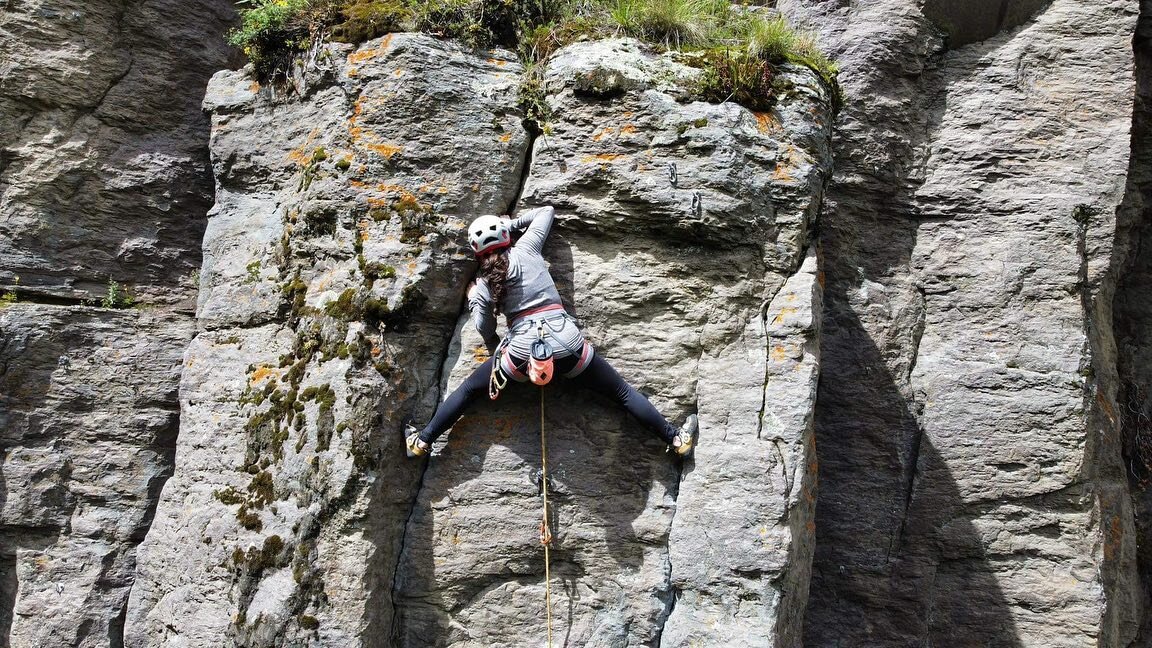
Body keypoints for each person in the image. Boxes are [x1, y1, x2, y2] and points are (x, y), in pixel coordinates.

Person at [404, 205, 698, 458]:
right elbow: (546, 213)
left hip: (520, 356)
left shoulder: (482, 285)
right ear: (505, 235)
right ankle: (676, 439)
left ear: (476, 251)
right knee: (621, 392)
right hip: (566, 343)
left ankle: (422, 441)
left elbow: (484, 328)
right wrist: (511, 224)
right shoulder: (527, 248)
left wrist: (474, 300)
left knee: (469, 390)